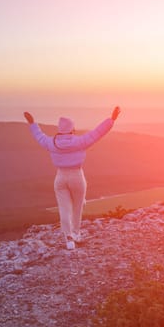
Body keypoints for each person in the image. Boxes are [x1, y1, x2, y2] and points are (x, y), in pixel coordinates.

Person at [24, 107, 121, 250]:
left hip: (60, 177)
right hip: (76, 176)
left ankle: (68, 238)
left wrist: (32, 124)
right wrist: (111, 120)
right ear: (71, 128)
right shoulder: (79, 141)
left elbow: (39, 136)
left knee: (64, 209)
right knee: (77, 206)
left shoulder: (51, 143)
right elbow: (97, 133)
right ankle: (76, 234)